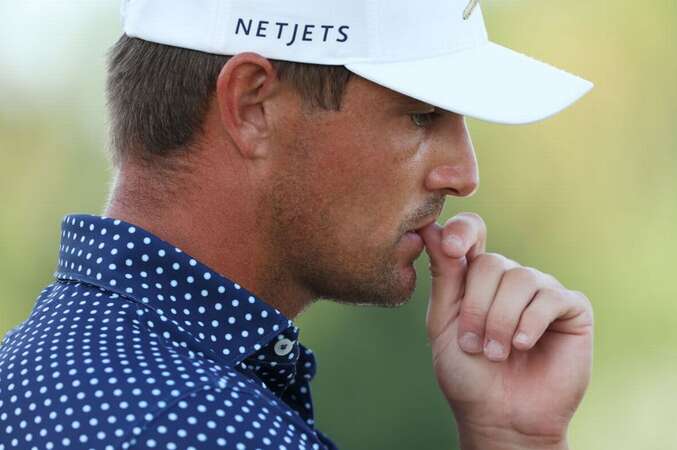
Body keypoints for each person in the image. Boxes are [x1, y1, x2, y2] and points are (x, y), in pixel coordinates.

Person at [0, 0, 595, 449]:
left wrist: (511, 436)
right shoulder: (206, 428)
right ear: (253, 105)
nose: (463, 174)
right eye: (420, 116)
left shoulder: (35, 371)